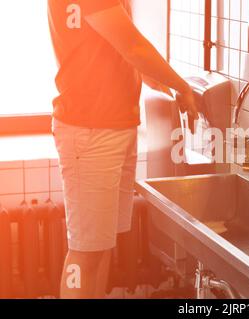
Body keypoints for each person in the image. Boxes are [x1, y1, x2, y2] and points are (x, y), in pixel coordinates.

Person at [47, 0, 198, 299]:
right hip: (92, 129)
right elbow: (133, 47)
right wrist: (182, 86)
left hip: (111, 125)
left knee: (99, 248)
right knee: (85, 252)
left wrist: (144, 73)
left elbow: (110, 45)